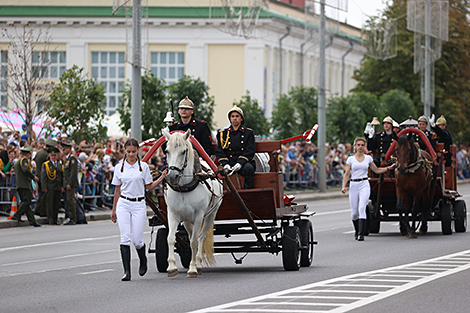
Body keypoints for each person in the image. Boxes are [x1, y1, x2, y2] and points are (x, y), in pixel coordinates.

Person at [110, 138, 168, 281]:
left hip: (138, 204)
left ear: (138, 151)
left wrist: (161, 178)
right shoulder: (119, 167)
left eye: (133, 151)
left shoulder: (143, 167)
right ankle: (127, 272)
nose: (131, 154)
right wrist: (114, 209)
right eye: (128, 151)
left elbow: (148, 187)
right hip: (123, 203)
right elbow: (117, 190)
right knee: (125, 238)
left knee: (137, 240)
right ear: (124, 151)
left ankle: (143, 259)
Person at [341, 137, 396, 241]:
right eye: (358, 145)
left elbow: (376, 169)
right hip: (354, 184)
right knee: (354, 213)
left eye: (362, 145)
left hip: (364, 184)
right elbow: (347, 173)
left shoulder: (368, 158)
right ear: (355, 146)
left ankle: (361, 234)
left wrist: (389, 168)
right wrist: (344, 186)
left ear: (364, 146)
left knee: (362, 208)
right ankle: (357, 231)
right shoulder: (350, 159)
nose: (360, 147)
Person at [215, 105, 255, 189]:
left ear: (241, 119)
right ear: (230, 119)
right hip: (227, 162)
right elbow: (219, 151)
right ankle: (219, 192)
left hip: (241, 163)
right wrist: (225, 164)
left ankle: (248, 192)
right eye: (232, 116)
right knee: (216, 171)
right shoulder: (223, 133)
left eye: (237, 116)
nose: (235, 118)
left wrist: (240, 163)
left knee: (249, 169)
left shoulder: (248, 133)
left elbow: (249, 150)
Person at [12, 146, 41, 227]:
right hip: (24, 185)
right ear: (28, 154)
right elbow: (26, 170)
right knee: (26, 201)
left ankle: (32, 221)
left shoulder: (19, 161)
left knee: (26, 204)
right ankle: (17, 215)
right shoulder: (24, 160)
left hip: (20, 184)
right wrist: (33, 177)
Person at [34, 139, 58, 217]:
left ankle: (38, 210)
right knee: (45, 196)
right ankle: (42, 211)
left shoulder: (39, 152)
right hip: (46, 177)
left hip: (38, 175)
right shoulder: (47, 155)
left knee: (41, 195)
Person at [41, 147, 63, 225]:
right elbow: (43, 177)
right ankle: (50, 219)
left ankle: (55, 219)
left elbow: (61, 176)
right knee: (50, 204)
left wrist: (62, 186)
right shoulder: (46, 165)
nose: (53, 157)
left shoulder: (59, 164)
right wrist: (44, 187)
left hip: (57, 186)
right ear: (49, 156)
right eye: (52, 155)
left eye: (54, 155)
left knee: (57, 204)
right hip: (50, 187)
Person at [62, 140, 80, 225]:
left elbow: (73, 173)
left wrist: (69, 183)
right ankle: (70, 217)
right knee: (68, 201)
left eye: (64, 148)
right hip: (67, 183)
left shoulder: (72, 159)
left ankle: (73, 218)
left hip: (70, 183)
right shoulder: (67, 159)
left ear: (69, 149)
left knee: (71, 200)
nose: (63, 150)